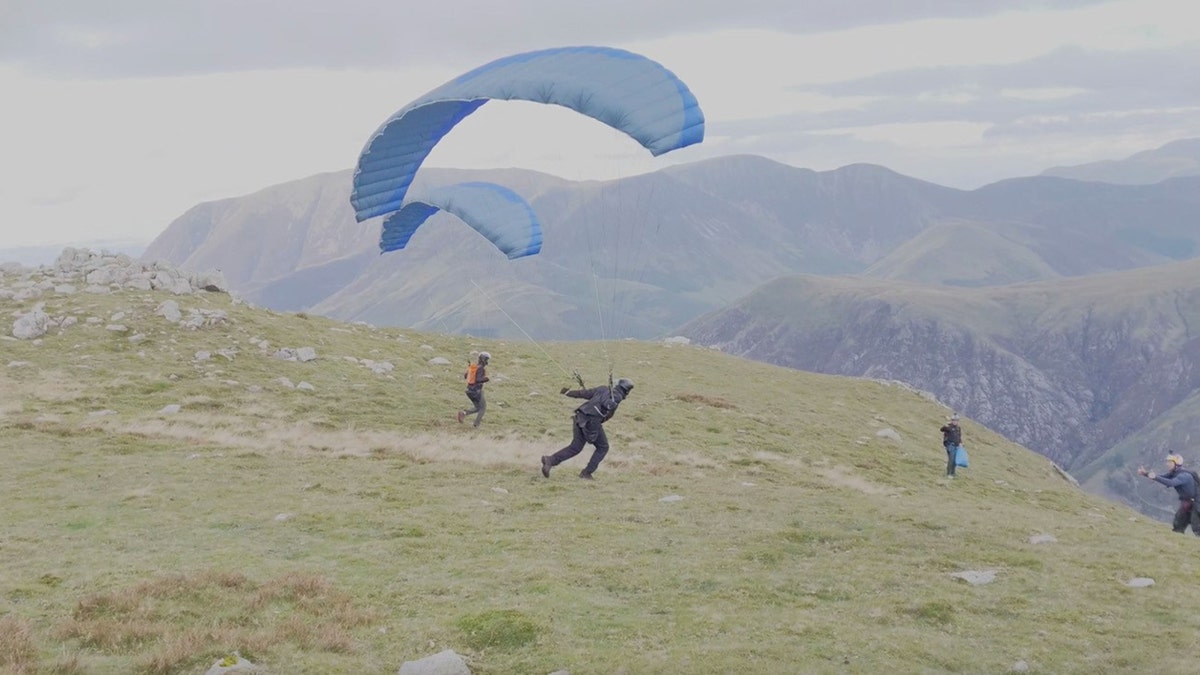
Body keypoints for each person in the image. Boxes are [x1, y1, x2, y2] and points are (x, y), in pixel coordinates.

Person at [541, 378, 634, 480]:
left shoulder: (603, 389)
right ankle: (586, 473)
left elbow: (585, 393)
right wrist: (610, 403)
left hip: (580, 416)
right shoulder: (617, 397)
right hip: (591, 422)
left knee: (575, 447)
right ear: (627, 391)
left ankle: (550, 460)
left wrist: (568, 392)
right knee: (603, 447)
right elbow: (607, 404)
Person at [1137, 454, 1200, 536]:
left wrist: (1154, 476)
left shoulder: (1184, 476)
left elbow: (1170, 482)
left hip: (1197, 504)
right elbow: (1161, 477)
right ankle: (1176, 546)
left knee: (1197, 527)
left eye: (1170, 462)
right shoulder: (1174, 473)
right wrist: (1146, 473)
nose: (1167, 464)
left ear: (1176, 464)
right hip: (1187, 503)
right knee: (1178, 525)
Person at [457, 351, 490, 427]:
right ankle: (476, 425)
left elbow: (465, 376)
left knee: (477, 407)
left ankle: (464, 413)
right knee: (483, 408)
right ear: (484, 359)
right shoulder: (481, 368)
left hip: (469, 391)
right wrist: (486, 379)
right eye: (487, 360)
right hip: (476, 391)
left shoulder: (473, 367)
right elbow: (478, 380)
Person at [940, 414, 963, 478]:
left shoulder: (958, 428)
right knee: (951, 459)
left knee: (955, 460)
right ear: (952, 420)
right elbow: (942, 429)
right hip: (950, 445)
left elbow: (959, 437)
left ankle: (953, 473)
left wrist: (960, 443)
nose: (955, 422)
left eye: (956, 420)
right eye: (953, 420)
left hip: (956, 446)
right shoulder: (949, 427)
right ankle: (949, 474)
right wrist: (945, 426)